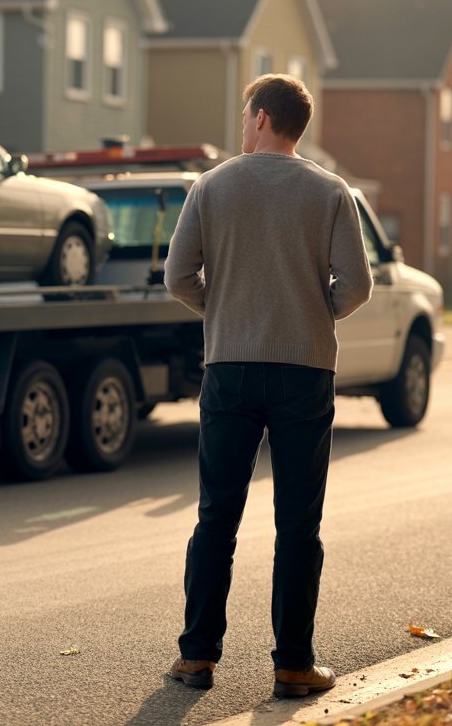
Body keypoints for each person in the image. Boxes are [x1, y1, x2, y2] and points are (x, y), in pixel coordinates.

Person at [163, 74, 373, 697]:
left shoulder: (211, 186)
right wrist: (311, 312)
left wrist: (224, 309)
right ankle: (293, 666)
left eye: (244, 113)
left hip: (229, 367)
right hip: (306, 371)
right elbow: (356, 286)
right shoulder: (332, 192)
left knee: (215, 518)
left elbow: (178, 276)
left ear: (259, 117)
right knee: (298, 526)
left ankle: (197, 659)